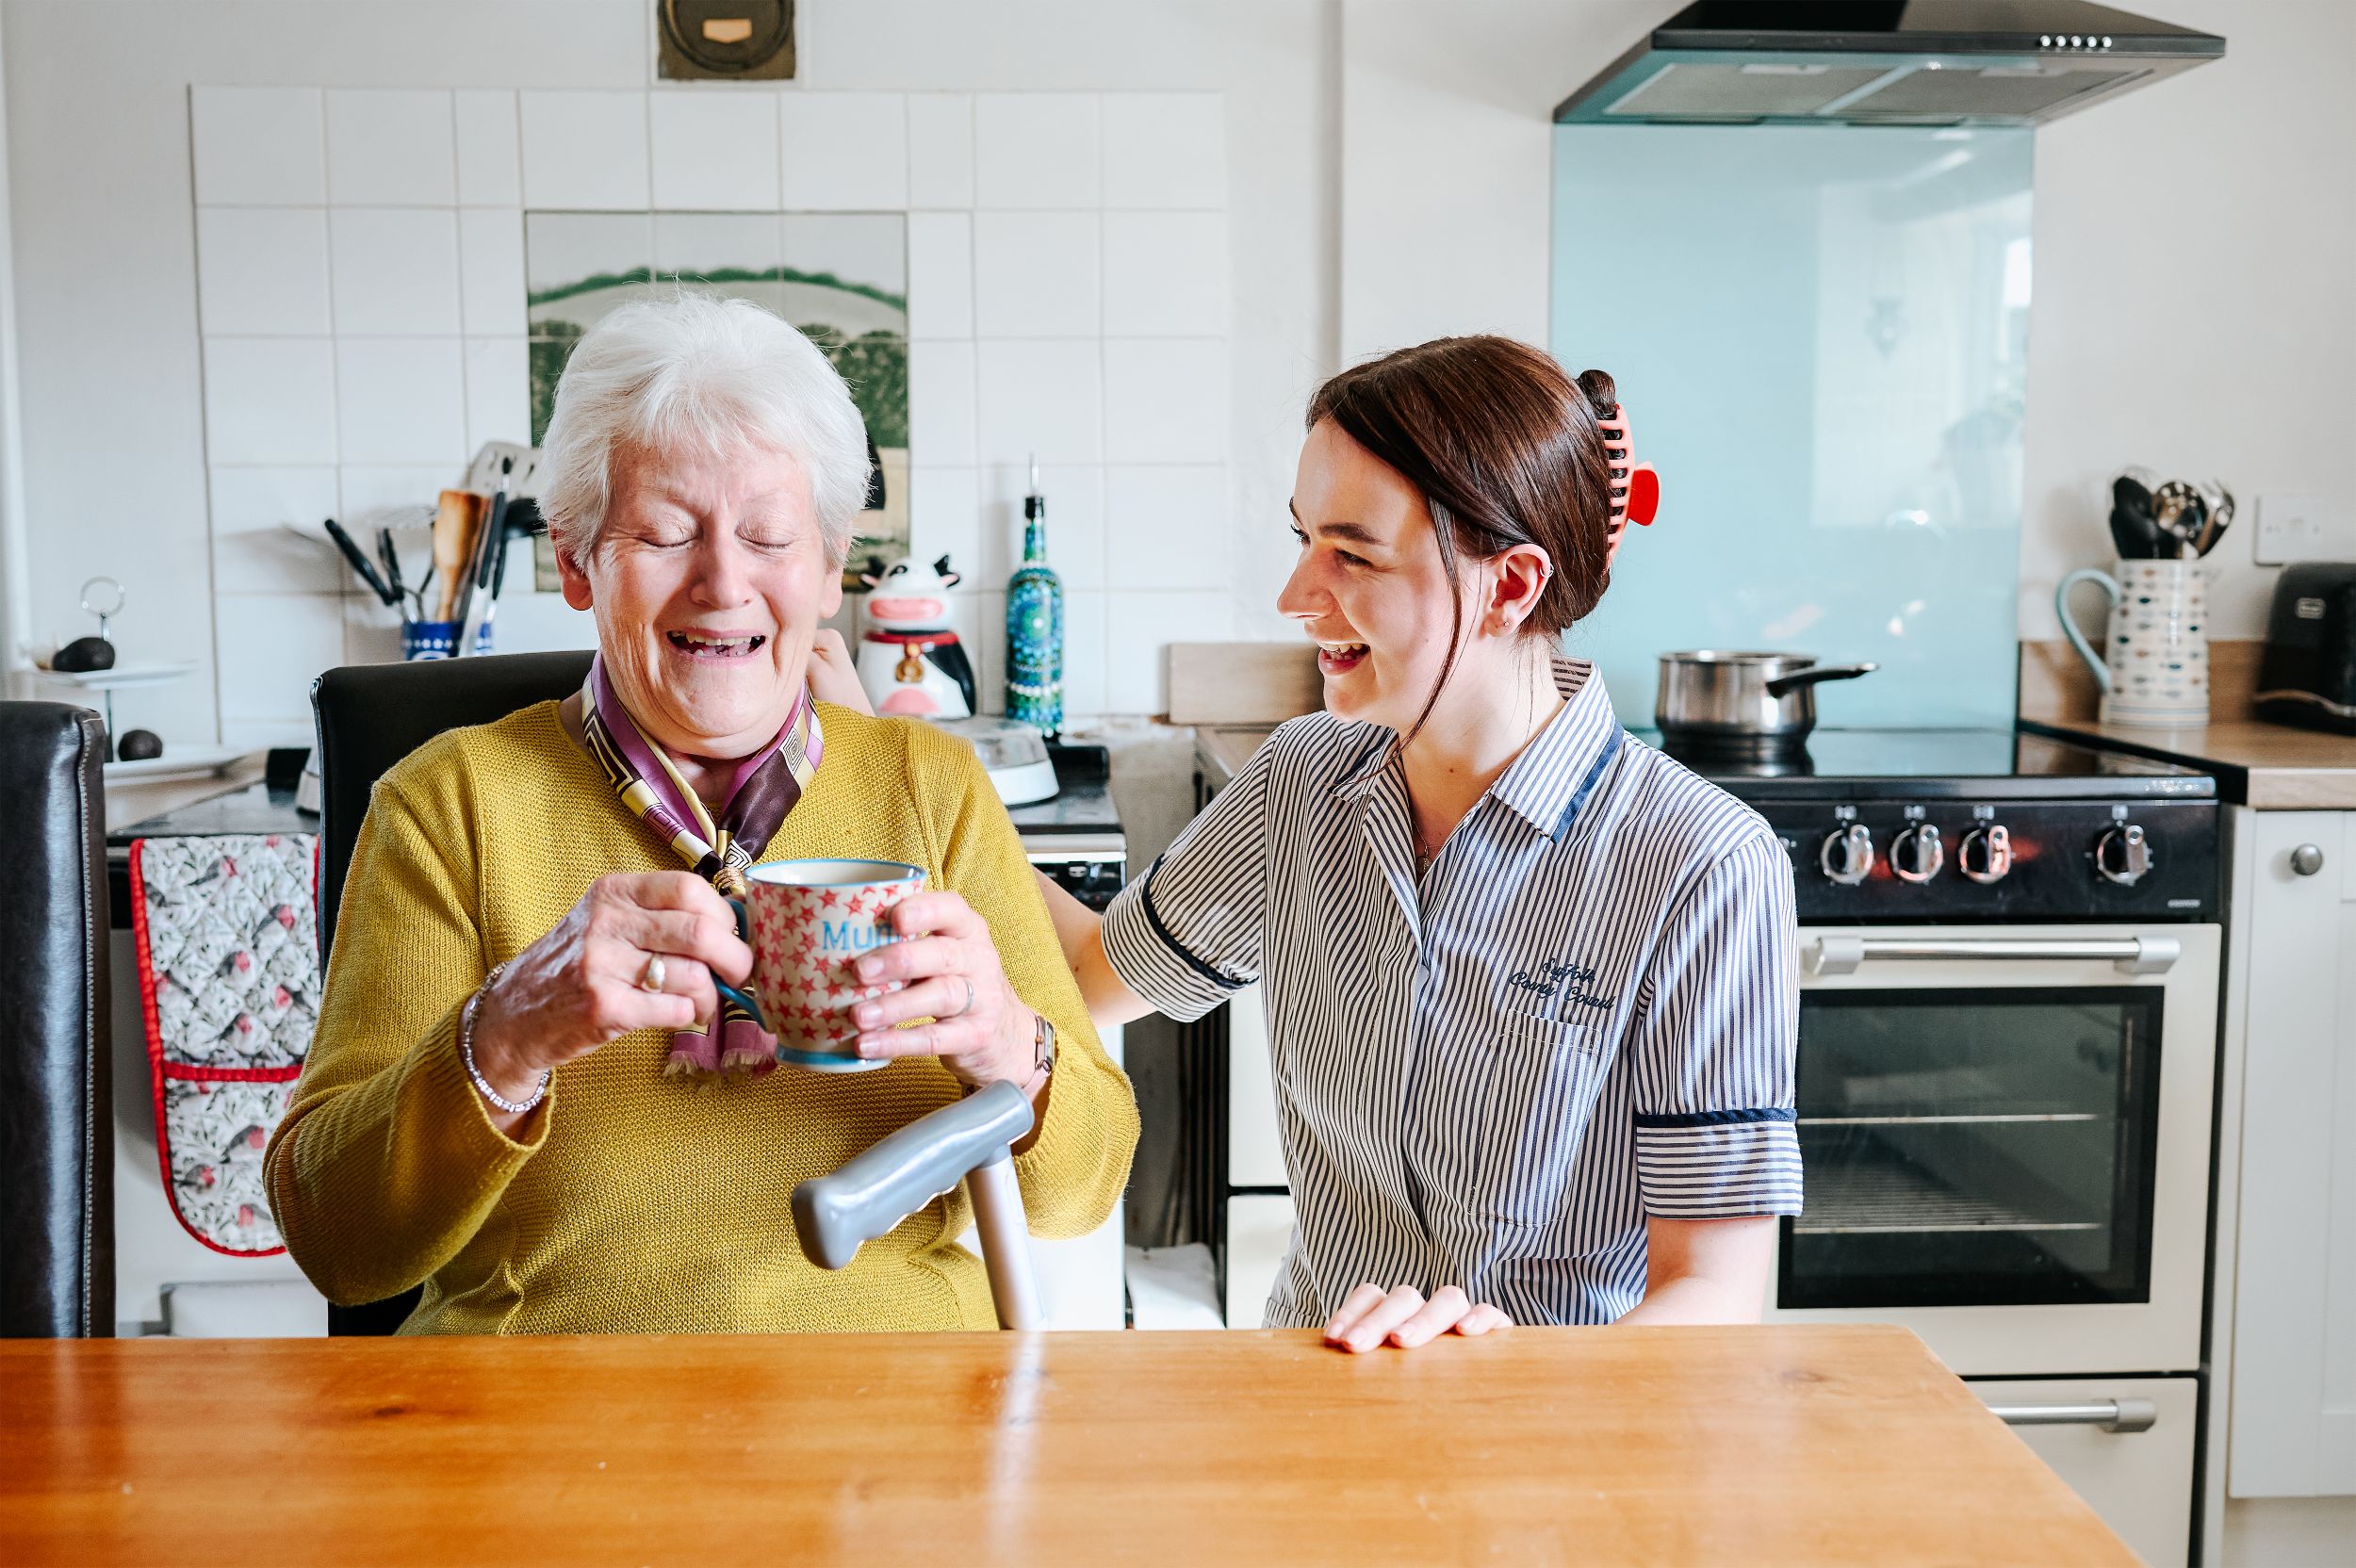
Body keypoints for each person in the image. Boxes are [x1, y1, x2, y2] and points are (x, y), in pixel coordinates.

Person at [266, 294, 1137, 1334]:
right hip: (544, 1439)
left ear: (824, 568)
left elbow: (1081, 1190)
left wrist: (1010, 1042)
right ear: (579, 561)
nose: (724, 583)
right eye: (667, 533)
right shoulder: (449, 804)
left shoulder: (929, 787)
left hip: (897, 1434)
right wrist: (499, 1040)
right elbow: (338, 1244)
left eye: (770, 536)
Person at [1047, 336, 1801, 1350]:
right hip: (1316, 1409)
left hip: (1560, 1459)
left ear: (1511, 583)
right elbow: (1093, 974)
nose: (1295, 595)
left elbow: (1710, 1294)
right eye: (1305, 539)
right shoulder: (1301, 781)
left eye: (1351, 554)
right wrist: (902, 778)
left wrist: (1505, 1373)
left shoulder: (1701, 864)